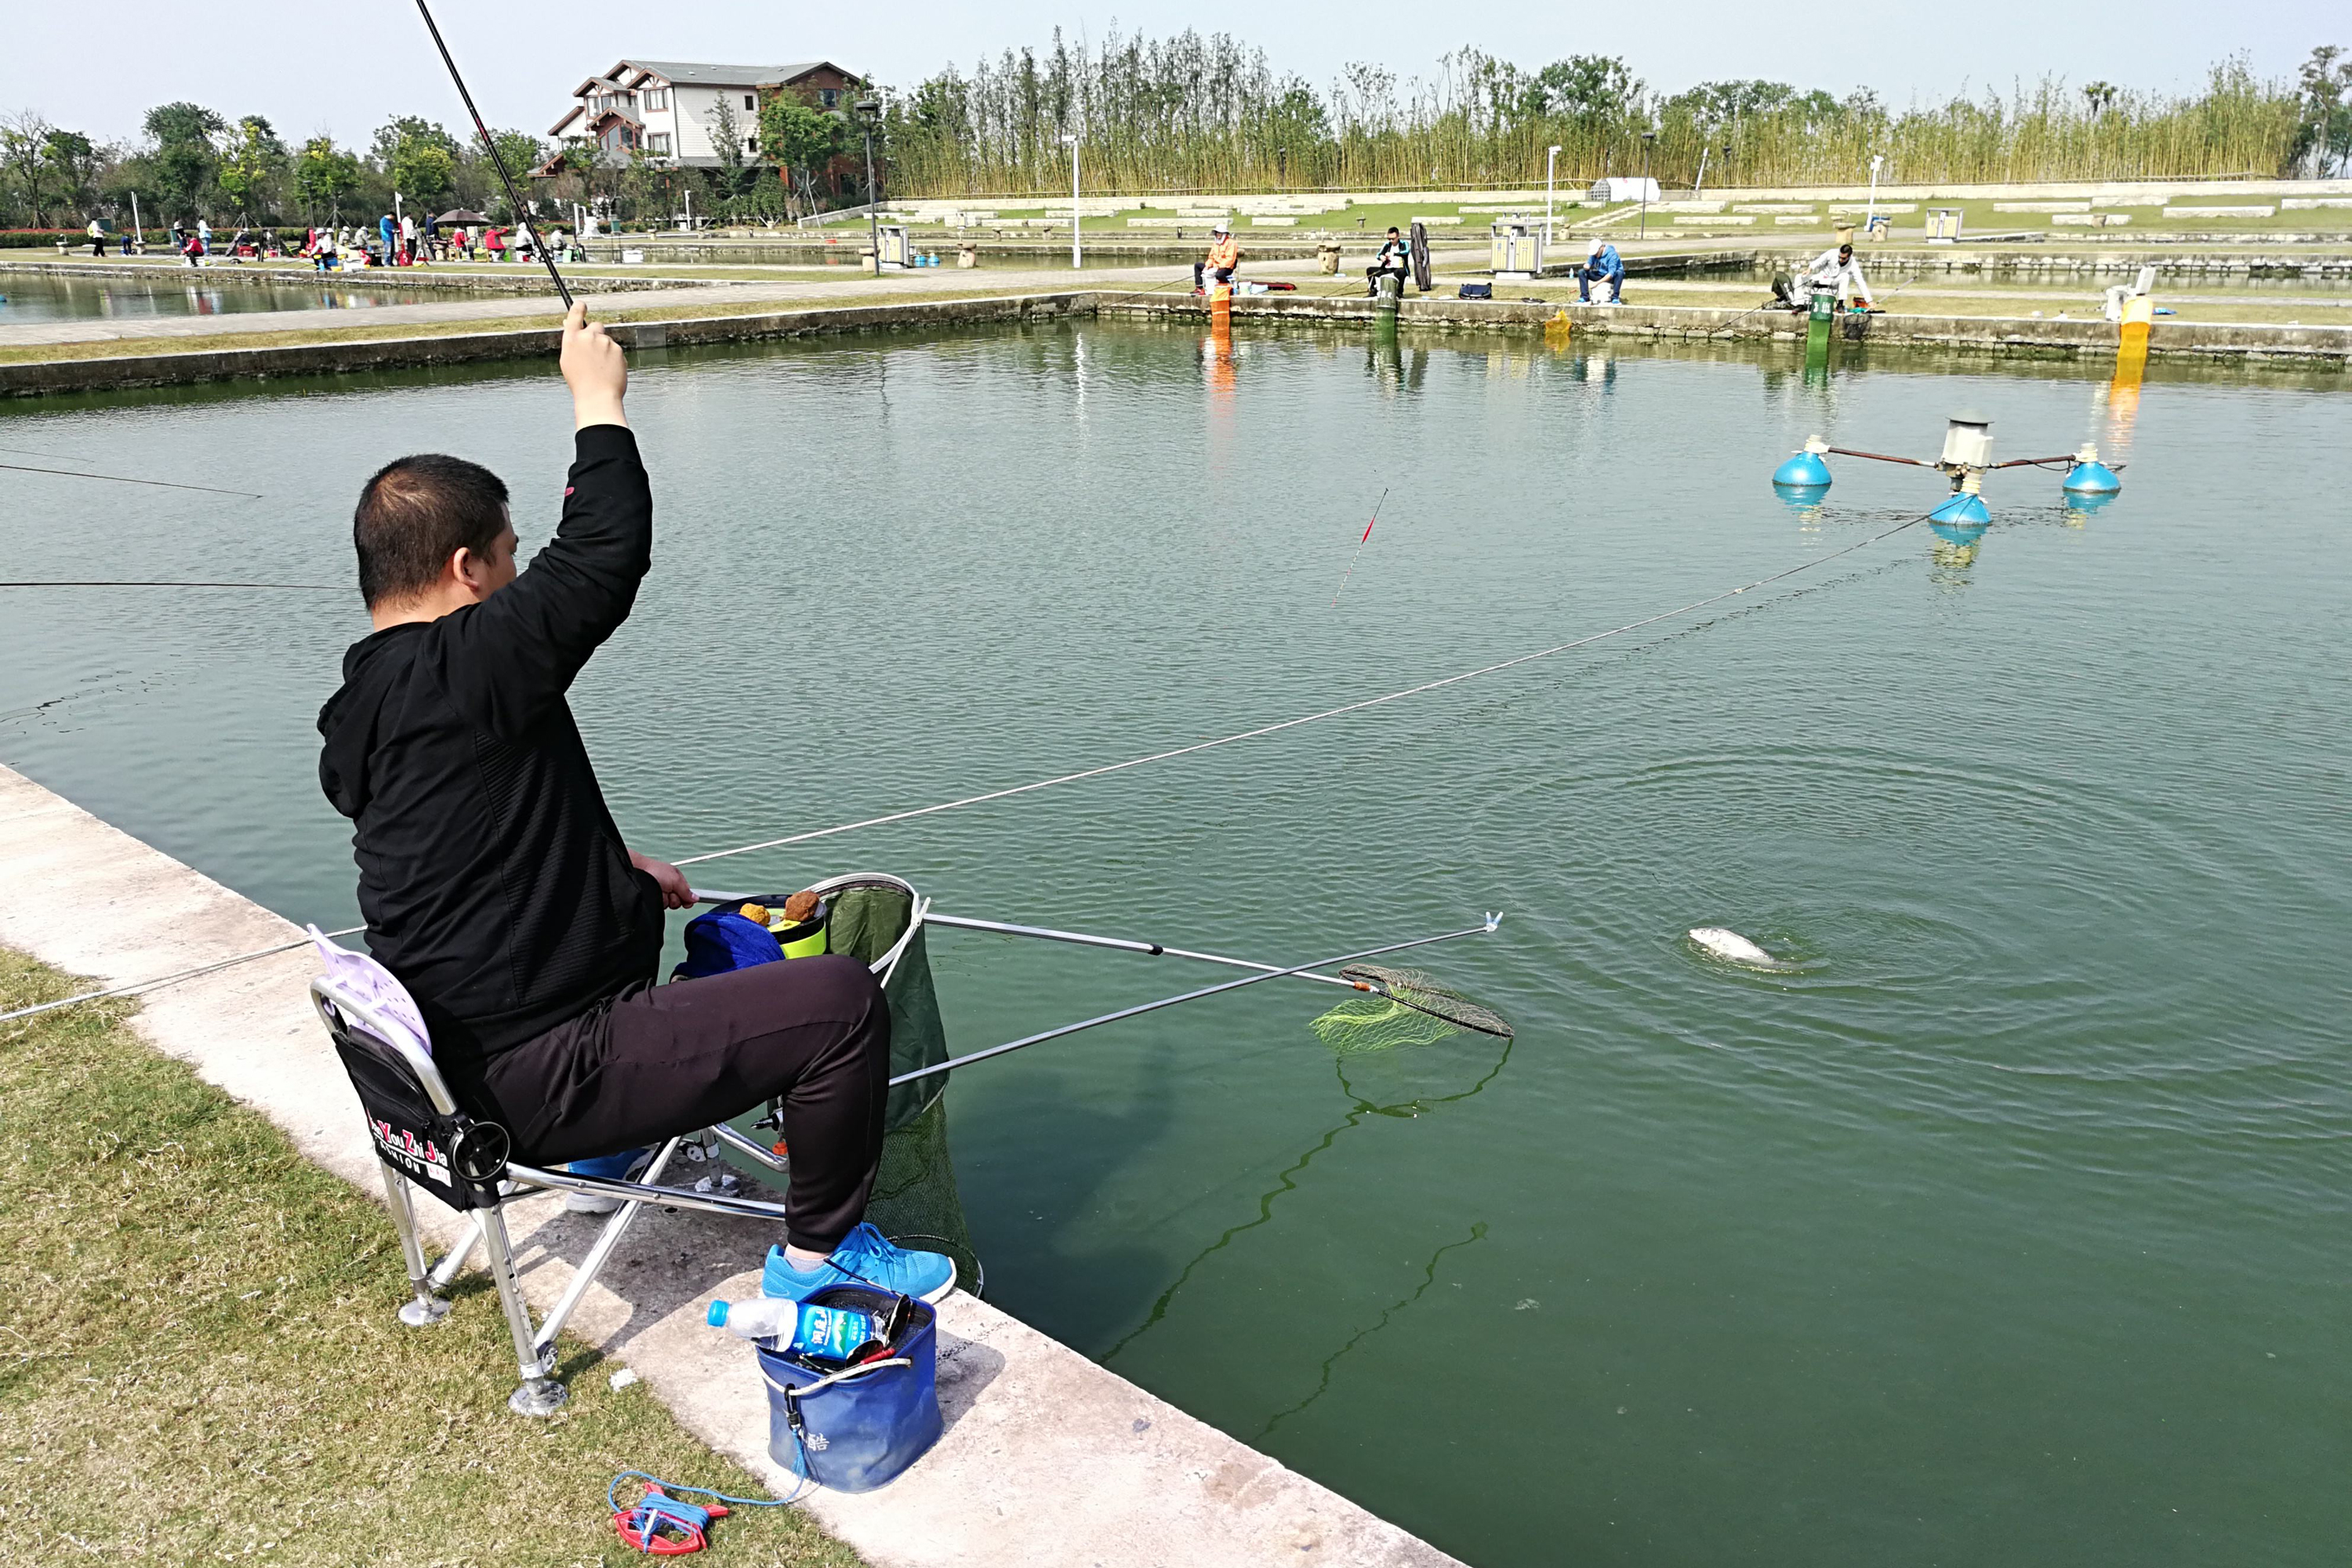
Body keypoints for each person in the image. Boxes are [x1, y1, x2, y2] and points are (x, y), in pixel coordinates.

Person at [316, 303, 955, 1305]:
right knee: (839, 1003)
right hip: (544, 1073)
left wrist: (619, 874)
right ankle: (818, 1256)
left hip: (457, 1067)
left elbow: (475, 850)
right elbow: (603, 554)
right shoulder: (464, 664)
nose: (521, 574)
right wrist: (596, 400)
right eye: (511, 555)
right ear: (466, 569)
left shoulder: (373, 696)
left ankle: (610, 1159)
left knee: (722, 950)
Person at [1194, 220, 1240, 295]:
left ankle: (1229, 287)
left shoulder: (1232, 243)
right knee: (1198, 266)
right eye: (1217, 233)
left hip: (1226, 268)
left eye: (1220, 233)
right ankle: (1199, 288)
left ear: (1224, 234)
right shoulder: (1215, 243)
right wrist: (1208, 266)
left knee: (1219, 275)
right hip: (1214, 266)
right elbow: (1211, 257)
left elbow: (1229, 260)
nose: (1218, 234)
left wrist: (1218, 267)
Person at [1575, 238, 1624, 305]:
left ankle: (1615, 298)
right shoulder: (1594, 254)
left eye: (1596, 253)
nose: (1595, 255)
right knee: (1582, 272)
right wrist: (1586, 266)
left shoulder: (1612, 255)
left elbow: (1610, 274)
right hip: (1600, 274)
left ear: (1601, 248)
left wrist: (1597, 283)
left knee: (1620, 273)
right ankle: (1584, 297)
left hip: (1612, 277)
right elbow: (1589, 263)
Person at [1366, 226, 1410, 297]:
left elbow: (1406, 251)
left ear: (1398, 236)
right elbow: (1378, 254)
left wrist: (1394, 254)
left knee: (1401, 271)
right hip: (1387, 269)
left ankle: (1399, 292)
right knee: (1370, 270)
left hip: (1399, 269)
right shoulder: (1387, 245)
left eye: (1393, 239)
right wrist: (1381, 257)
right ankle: (1373, 290)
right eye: (1389, 239)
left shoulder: (1404, 243)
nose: (1391, 241)